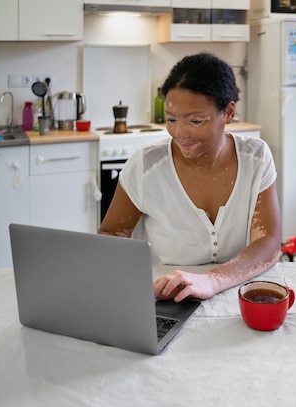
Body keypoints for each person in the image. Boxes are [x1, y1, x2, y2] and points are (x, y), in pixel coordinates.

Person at [98, 53, 282, 301]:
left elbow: (268, 243)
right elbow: (110, 238)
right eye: (171, 119)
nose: (180, 133)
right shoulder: (146, 167)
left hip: (236, 293)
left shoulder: (256, 159)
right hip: (167, 297)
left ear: (228, 112)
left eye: (196, 121)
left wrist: (213, 280)